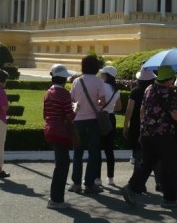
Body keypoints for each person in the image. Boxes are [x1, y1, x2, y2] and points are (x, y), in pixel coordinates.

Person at [121, 66, 177, 209]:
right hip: (164, 135)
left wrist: (143, 130)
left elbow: (142, 111)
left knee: (147, 163)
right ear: (169, 79)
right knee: (169, 167)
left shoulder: (149, 89)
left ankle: (131, 187)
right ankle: (169, 198)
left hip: (147, 133)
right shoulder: (170, 93)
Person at [69, 55, 105, 194]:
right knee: (93, 153)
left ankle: (76, 183)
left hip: (78, 120)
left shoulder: (77, 81)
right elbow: (102, 101)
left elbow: (72, 99)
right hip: (93, 120)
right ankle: (89, 184)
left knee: (78, 152)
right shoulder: (98, 81)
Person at [43, 64, 76, 209]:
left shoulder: (48, 92)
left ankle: (55, 198)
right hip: (61, 132)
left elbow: (45, 114)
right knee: (62, 166)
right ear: (63, 78)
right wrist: (77, 109)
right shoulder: (64, 94)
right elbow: (70, 116)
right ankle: (56, 199)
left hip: (50, 129)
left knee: (60, 164)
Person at [122, 67, 156, 167]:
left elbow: (129, 110)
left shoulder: (135, 91)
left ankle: (139, 172)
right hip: (151, 122)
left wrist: (125, 125)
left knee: (137, 149)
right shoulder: (153, 91)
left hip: (136, 122)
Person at [98, 65, 121, 186]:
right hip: (111, 118)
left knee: (97, 148)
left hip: (100, 117)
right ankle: (110, 177)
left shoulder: (101, 87)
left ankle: (97, 177)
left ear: (106, 76)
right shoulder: (116, 90)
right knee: (109, 150)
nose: (101, 76)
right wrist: (110, 107)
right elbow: (119, 107)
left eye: (103, 74)